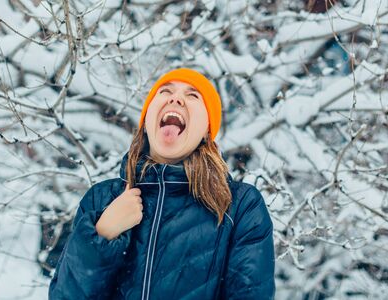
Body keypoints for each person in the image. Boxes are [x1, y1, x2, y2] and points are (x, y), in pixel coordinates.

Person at [48, 68, 275, 300]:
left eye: (193, 95)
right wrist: (102, 235)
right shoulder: (102, 199)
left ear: (207, 131)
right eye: (165, 91)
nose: (175, 98)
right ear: (147, 121)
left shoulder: (239, 206)